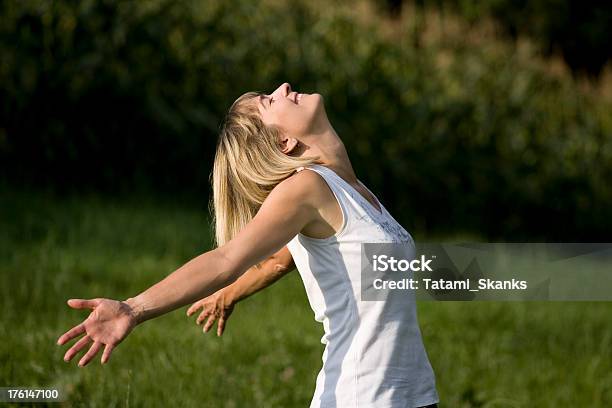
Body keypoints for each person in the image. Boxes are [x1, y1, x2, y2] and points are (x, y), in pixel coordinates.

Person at [57, 83, 440, 408]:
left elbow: (287, 258)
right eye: (270, 101)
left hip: (415, 395)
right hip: (363, 396)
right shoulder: (307, 187)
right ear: (284, 141)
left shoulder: (355, 192)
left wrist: (230, 294)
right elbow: (227, 258)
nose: (284, 88)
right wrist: (132, 308)